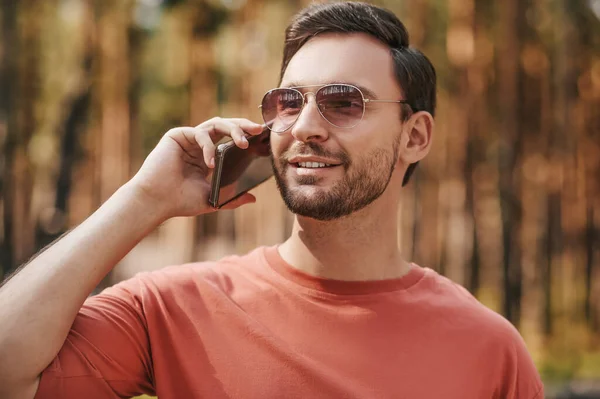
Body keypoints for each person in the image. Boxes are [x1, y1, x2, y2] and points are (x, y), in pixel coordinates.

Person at [0, 2, 544, 398]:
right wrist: (145, 198)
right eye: (287, 102)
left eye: (343, 102)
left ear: (415, 136)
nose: (304, 126)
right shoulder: (174, 308)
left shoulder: (489, 350)